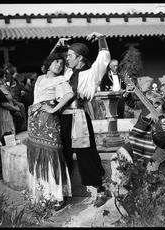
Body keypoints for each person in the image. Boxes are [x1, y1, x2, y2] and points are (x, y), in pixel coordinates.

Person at [51, 31, 111, 207]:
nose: (66, 58)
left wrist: (101, 38)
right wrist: (58, 45)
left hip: (79, 118)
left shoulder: (92, 74)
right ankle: (61, 195)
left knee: (87, 154)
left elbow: (104, 58)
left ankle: (101, 190)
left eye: (70, 56)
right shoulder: (67, 73)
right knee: (63, 155)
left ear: (80, 58)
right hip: (63, 117)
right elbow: (49, 65)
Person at [26, 52, 74, 211]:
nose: (59, 65)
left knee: (51, 155)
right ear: (49, 62)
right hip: (34, 118)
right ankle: (39, 196)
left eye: (61, 63)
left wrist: (54, 109)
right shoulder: (40, 78)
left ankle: (54, 197)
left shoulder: (60, 79)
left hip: (49, 119)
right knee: (37, 157)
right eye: (56, 61)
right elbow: (35, 98)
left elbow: (69, 95)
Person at [3, 64, 27, 133]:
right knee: (21, 106)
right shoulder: (5, 84)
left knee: (22, 105)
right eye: (15, 71)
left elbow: (24, 89)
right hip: (11, 102)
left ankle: (23, 125)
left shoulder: (17, 82)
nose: (17, 73)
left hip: (17, 102)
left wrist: (23, 91)